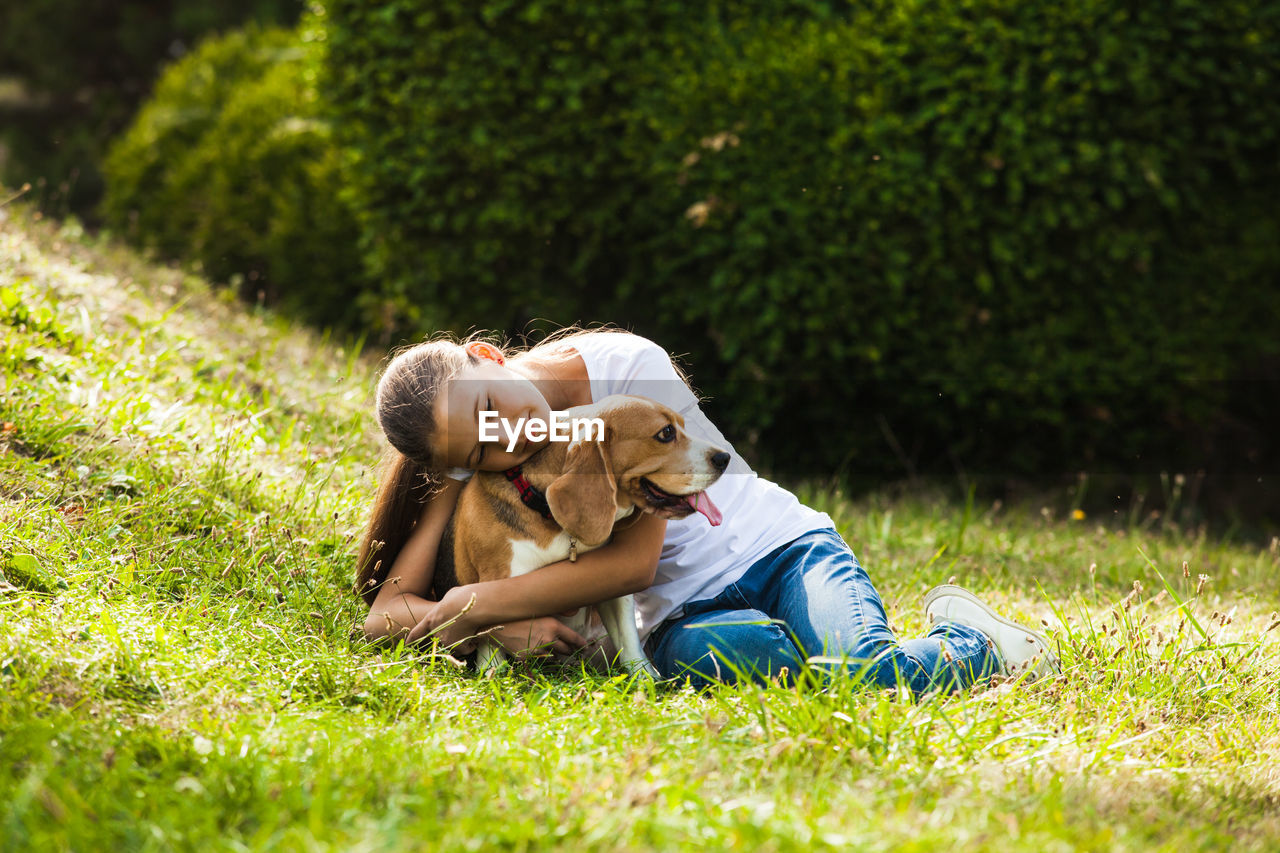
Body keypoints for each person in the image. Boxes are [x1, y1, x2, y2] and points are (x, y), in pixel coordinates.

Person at [357, 325, 1059, 691]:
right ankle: (831, 648)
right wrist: (460, 488)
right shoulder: (483, 461)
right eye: (481, 450)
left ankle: (975, 642)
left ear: (487, 355)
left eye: (489, 407)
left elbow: (634, 560)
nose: (509, 436)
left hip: (783, 551)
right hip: (680, 621)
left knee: (862, 675)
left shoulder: (624, 365)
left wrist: (484, 605)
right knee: (777, 668)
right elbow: (385, 613)